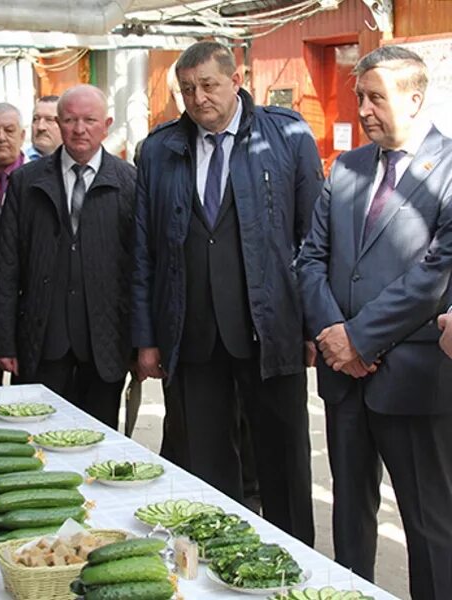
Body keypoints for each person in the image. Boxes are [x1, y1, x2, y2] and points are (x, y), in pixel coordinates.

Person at [132, 41, 321, 544]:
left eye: (209, 85)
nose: (198, 98)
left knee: (283, 462)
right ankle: (218, 563)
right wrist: (147, 337)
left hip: (269, 328)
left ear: (236, 81)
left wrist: (311, 327)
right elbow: (143, 252)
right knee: (204, 465)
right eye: (188, 90)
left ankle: (295, 565)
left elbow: (312, 238)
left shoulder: (287, 137)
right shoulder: (158, 149)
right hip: (192, 334)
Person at [297, 46, 452, 599]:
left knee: (430, 525)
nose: (362, 108)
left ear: (415, 97)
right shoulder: (347, 167)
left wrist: (360, 337)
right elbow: (310, 257)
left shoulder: (449, 169)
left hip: (412, 379)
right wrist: (335, 337)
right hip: (344, 377)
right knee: (350, 517)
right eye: (359, 96)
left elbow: (438, 272)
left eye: (375, 97)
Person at [0, 84, 136, 428]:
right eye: (70, 120)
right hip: (43, 338)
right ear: (58, 123)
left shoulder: (129, 182)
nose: (79, 129)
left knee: (100, 436)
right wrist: (3, 339)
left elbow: (141, 267)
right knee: (36, 431)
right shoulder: (27, 182)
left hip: (104, 341)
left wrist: (142, 343)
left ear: (107, 124)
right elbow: (7, 263)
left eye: (89, 120)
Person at [25, 95, 62, 160]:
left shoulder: (78, 163)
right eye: (36, 119)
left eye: (49, 120)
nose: (40, 127)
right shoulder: (18, 163)